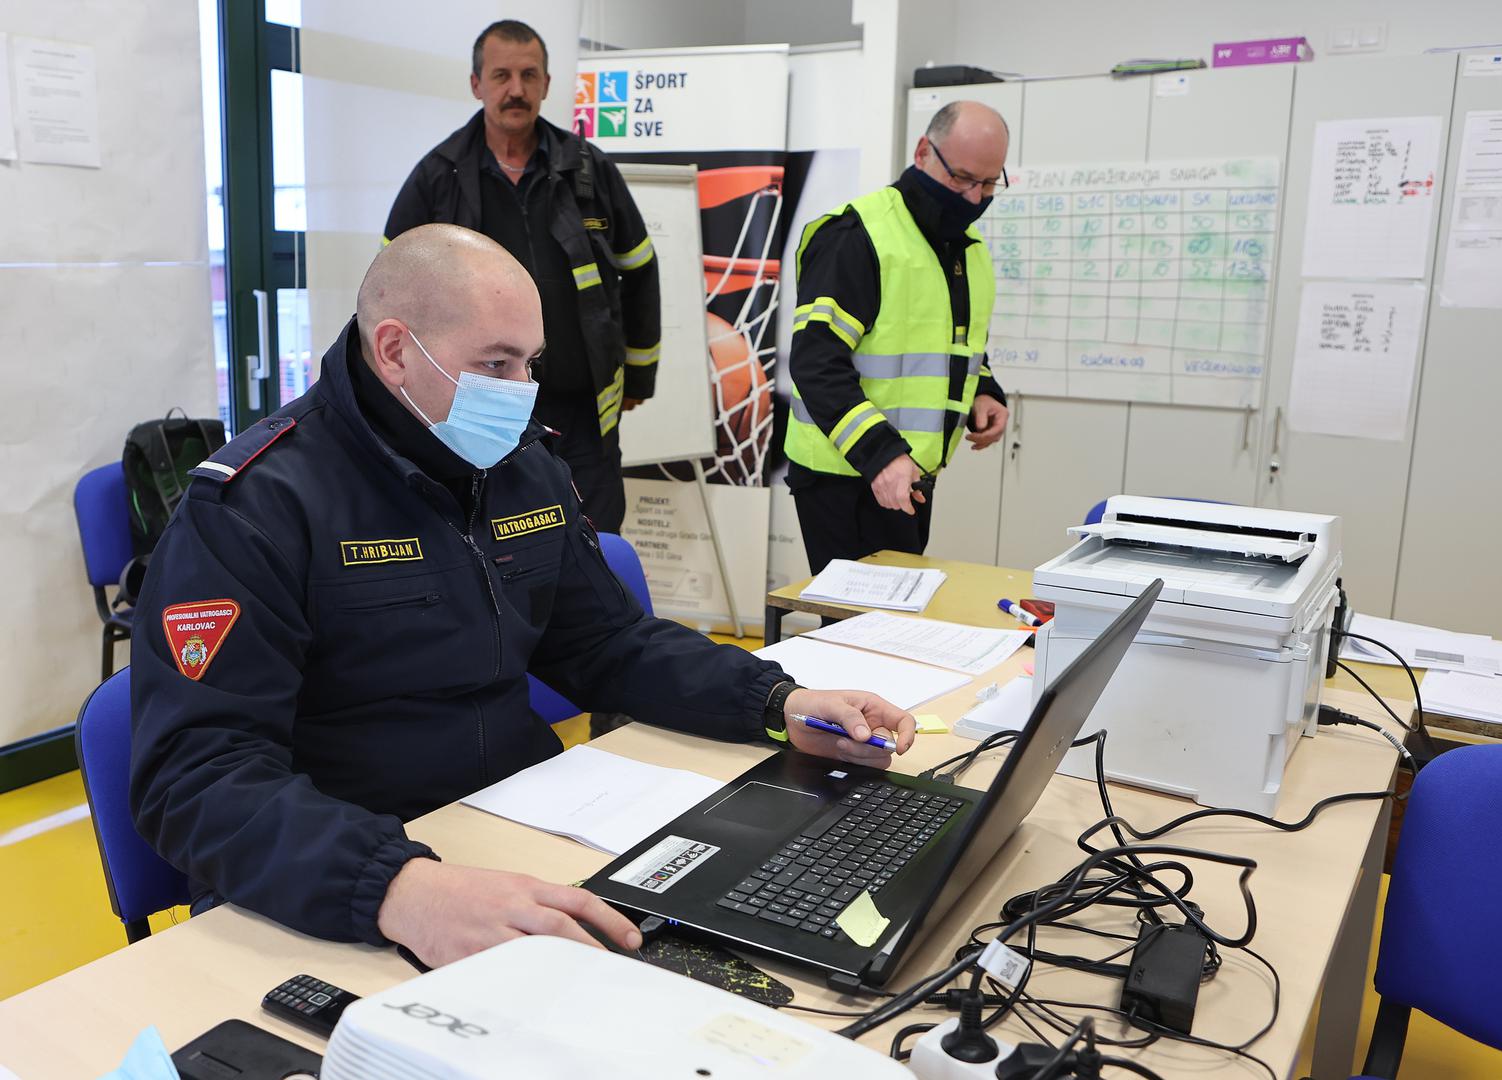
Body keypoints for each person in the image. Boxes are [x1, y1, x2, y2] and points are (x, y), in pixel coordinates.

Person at [129, 225, 916, 968]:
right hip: (350, 881)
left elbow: (607, 644)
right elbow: (197, 780)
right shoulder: (255, 507)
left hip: (514, 827)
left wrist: (777, 701)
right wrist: (396, 888)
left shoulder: (520, 467)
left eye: (531, 364)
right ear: (396, 351)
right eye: (498, 364)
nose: (523, 392)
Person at [384, 19, 654, 534]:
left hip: (582, 414)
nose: (516, 89)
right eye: (501, 75)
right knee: (492, 544)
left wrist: (639, 375)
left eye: (529, 75)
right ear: (476, 84)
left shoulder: (589, 171)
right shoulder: (438, 176)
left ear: (547, 85)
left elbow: (640, 272)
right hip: (480, 412)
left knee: (595, 544)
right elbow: (391, 291)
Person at [783, 100, 1012, 573]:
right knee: (857, 635)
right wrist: (880, 455)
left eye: (989, 183)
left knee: (891, 627)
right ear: (923, 151)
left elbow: (953, 340)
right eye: (963, 178)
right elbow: (816, 363)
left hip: (910, 473)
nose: (974, 198)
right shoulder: (856, 235)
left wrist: (983, 389)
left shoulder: (965, 247)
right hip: (846, 475)